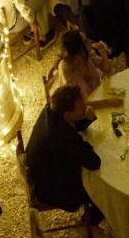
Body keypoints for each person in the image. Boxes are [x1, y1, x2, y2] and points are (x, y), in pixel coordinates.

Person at [24, 85, 102, 222]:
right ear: (67, 114)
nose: (85, 106)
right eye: (81, 107)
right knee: (99, 185)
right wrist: (87, 144)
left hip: (43, 171)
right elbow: (94, 162)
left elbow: (72, 125)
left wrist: (86, 118)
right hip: (52, 188)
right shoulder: (62, 136)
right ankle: (91, 220)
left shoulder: (50, 111)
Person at [47, 30, 111, 100]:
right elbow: (85, 100)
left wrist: (103, 52)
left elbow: (106, 69)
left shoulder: (86, 55)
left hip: (96, 97)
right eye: (86, 41)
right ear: (78, 49)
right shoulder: (67, 68)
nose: (90, 42)